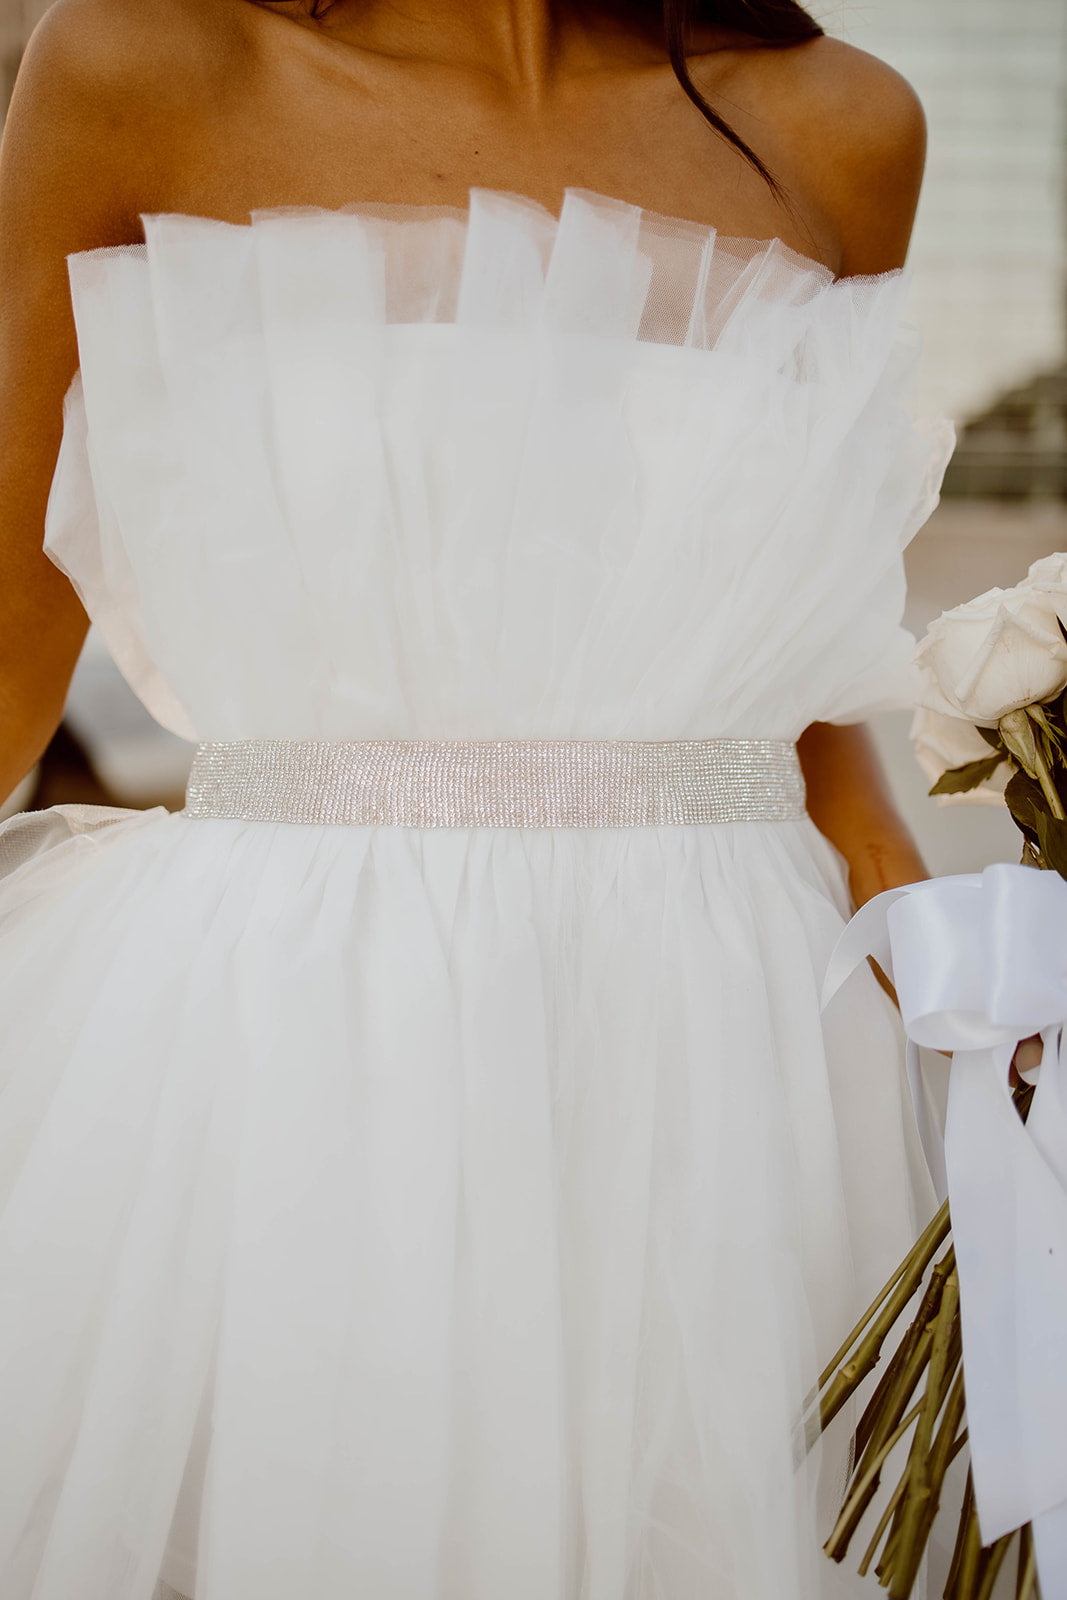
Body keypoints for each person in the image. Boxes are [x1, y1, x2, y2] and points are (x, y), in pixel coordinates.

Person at [0, 2, 954, 1596]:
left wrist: (944, 975)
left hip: (731, 1053)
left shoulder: (848, 125)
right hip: (284, 1041)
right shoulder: (140, 67)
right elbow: (15, 623)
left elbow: (803, 652)